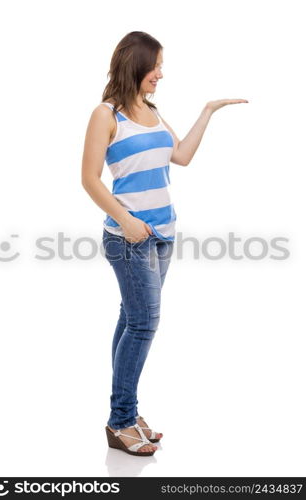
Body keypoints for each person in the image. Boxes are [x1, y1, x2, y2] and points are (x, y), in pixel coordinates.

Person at [81, 31, 248, 456]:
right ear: (134, 65)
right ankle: (120, 421)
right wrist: (127, 221)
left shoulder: (151, 111)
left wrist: (208, 112)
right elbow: (88, 179)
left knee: (132, 319)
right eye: (154, 65)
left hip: (163, 235)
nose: (160, 73)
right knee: (143, 324)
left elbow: (182, 156)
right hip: (129, 238)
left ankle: (126, 411)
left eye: (160, 66)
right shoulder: (107, 115)